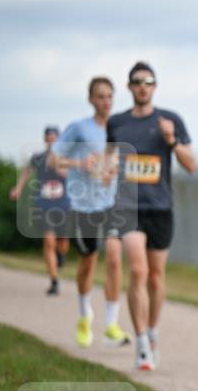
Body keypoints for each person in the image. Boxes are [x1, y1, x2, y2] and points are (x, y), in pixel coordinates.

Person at [107, 61, 196, 370]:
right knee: (138, 271)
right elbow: (108, 162)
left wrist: (171, 140)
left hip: (160, 207)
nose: (142, 86)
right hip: (129, 208)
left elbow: (191, 164)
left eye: (148, 81)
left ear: (154, 86)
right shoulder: (117, 123)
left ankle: (153, 330)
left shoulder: (171, 120)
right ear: (130, 87)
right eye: (137, 81)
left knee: (156, 278)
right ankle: (141, 340)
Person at [49, 77, 130, 348]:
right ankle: (85, 316)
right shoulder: (78, 129)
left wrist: (114, 171)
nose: (105, 101)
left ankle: (111, 324)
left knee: (116, 259)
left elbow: (123, 160)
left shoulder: (120, 127)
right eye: (100, 96)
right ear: (91, 99)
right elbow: (53, 159)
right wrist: (79, 163)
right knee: (88, 262)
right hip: (83, 206)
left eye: (109, 96)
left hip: (111, 204)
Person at [9, 126, 70, 295]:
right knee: (49, 242)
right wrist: (18, 189)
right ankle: (54, 282)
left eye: (54, 137)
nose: (51, 140)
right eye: (49, 137)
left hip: (63, 205)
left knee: (63, 241)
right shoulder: (37, 158)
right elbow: (26, 172)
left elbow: (69, 174)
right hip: (44, 206)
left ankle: (61, 255)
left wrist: (58, 165)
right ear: (45, 140)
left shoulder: (65, 158)